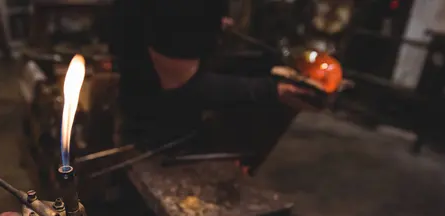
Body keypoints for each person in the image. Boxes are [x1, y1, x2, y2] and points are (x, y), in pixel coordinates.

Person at [110, 0, 306, 148]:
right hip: (155, 130)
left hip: (155, 91)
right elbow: (179, 85)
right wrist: (273, 91)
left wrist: (211, 23)